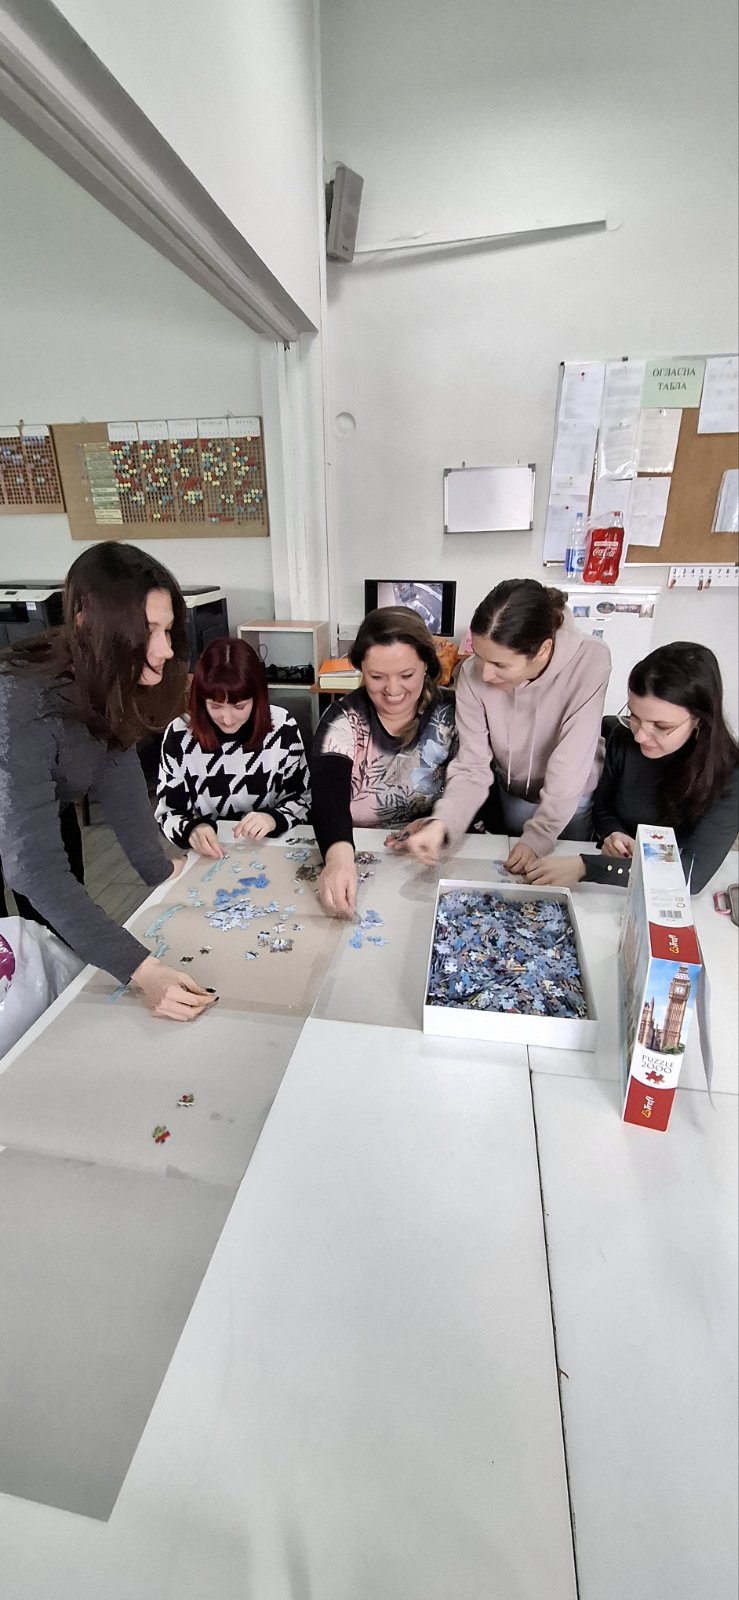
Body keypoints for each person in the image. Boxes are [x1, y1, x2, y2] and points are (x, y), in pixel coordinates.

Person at [0, 541, 217, 1022]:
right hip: (10, 806)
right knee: (13, 964)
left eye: (167, 630)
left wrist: (160, 871)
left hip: (45, 806)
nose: (165, 649)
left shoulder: (104, 676)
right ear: (86, 622)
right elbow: (31, 867)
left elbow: (116, 767)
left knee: (57, 933)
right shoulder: (19, 701)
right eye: (148, 631)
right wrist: (142, 970)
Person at [406, 579, 610, 873]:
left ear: (543, 650)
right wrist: (443, 822)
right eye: (480, 657)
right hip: (511, 793)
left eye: (500, 665)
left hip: (571, 802)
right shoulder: (472, 675)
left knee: (559, 880)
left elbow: (571, 762)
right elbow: (472, 766)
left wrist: (538, 837)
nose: (485, 675)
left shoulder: (590, 659)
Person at [525, 642, 739, 894]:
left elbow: (691, 876)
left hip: (667, 894)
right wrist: (613, 834)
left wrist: (589, 867)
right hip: (616, 885)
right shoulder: (622, 738)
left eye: (661, 726)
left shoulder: (730, 775)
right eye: (634, 717)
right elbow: (603, 807)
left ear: (700, 721)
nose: (640, 736)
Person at [312, 606, 457, 916]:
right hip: (357, 853)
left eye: (406, 675)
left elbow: (474, 785)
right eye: (377, 677)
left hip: (433, 858)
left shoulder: (452, 713)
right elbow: (327, 797)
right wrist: (337, 858)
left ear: (426, 665)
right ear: (362, 670)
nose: (392, 690)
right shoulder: (343, 718)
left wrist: (440, 823)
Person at [156, 637, 310, 856]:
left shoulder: (282, 726)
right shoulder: (179, 735)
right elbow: (168, 813)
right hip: (212, 852)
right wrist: (192, 830)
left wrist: (273, 818)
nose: (227, 719)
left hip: (274, 847)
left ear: (257, 698)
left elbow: (303, 799)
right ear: (201, 700)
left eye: (239, 706)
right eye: (215, 706)